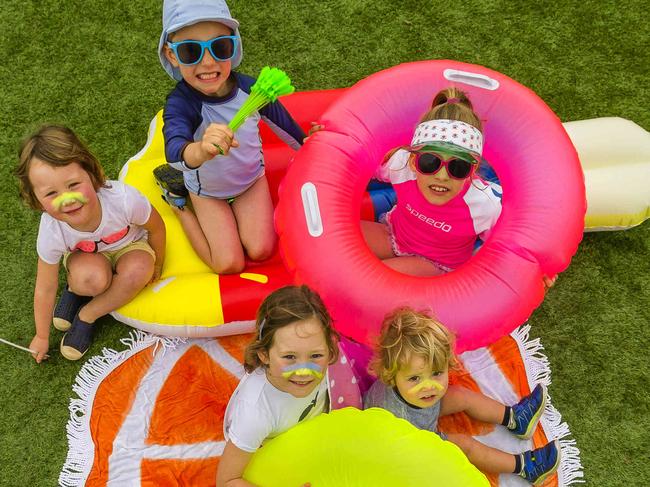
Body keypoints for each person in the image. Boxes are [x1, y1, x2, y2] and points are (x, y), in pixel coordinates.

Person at [154, 0, 307, 275]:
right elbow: (175, 150)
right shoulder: (182, 103)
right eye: (191, 51)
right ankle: (177, 203)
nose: (209, 62)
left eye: (220, 46)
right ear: (172, 55)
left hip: (250, 181)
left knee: (261, 250)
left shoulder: (251, 90)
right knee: (228, 264)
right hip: (207, 191)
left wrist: (311, 145)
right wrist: (200, 149)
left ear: (233, 46)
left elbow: (285, 127)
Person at [16, 125, 166, 362]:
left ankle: (87, 314)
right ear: (36, 199)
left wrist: (158, 261)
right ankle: (75, 290)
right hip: (86, 258)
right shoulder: (52, 229)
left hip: (129, 245)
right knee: (91, 280)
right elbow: (45, 286)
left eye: (73, 185)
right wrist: (42, 336)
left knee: (140, 269)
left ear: (92, 174)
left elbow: (156, 227)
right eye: (51, 194)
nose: (67, 199)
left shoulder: (124, 200)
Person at [364, 308, 561, 485]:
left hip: (418, 409)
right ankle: (524, 467)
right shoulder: (398, 421)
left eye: (436, 373)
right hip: (416, 441)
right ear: (391, 376)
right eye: (415, 378)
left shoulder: (414, 389)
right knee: (466, 446)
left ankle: (516, 418)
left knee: (461, 395)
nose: (428, 386)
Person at [217, 285, 339, 487]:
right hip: (270, 453)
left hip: (309, 434)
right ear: (264, 355)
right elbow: (227, 481)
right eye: (289, 357)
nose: (304, 371)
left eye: (316, 356)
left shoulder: (331, 363)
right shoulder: (255, 414)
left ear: (330, 350)